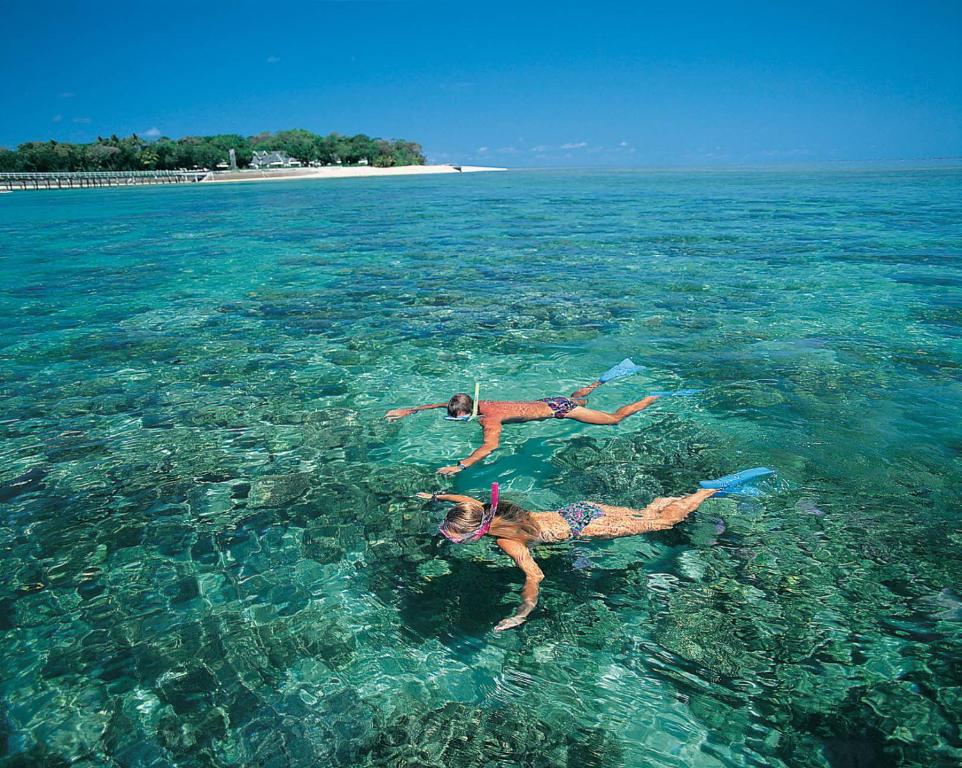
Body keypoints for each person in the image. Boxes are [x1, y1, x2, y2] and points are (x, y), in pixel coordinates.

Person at [418, 468, 774, 631]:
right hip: (582, 509)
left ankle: (709, 490)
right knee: (645, 515)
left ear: (476, 531)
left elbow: (535, 575)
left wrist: (524, 611)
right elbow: (459, 498)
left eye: (459, 537)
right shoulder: (486, 507)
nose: (457, 541)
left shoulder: (508, 542)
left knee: (664, 524)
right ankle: (679, 498)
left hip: (586, 526)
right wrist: (435, 496)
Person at [386, 377, 660, 475]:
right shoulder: (481, 403)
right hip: (549, 401)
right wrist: (408, 410)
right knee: (578, 397)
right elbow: (438, 404)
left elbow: (490, 446)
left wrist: (461, 465)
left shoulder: (490, 419)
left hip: (559, 411)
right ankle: (599, 382)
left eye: (459, 418)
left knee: (614, 420)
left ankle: (649, 398)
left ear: (468, 412)